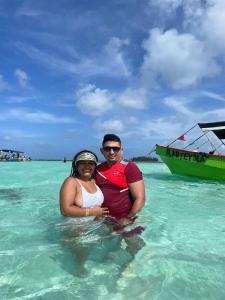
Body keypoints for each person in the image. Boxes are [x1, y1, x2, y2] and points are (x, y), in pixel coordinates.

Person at [94, 134, 145, 227]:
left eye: (115, 148)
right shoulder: (97, 169)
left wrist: (128, 218)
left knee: (133, 241)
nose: (112, 152)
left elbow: (140, 198)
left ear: (122, 150)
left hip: (125, 219)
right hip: (104, 220)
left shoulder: (129, 167)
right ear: (102, 151)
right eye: (107, 148)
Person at [60, 150, 109, 218]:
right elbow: (65, 210)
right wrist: (92, 212)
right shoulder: (71, 181)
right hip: (75, 227)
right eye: (82, 163)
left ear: (95, 167)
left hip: (96, 225)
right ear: (76, 166)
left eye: (91, 163)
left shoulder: (94, 181)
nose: (87, 166)